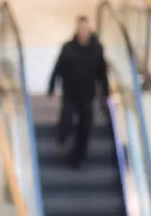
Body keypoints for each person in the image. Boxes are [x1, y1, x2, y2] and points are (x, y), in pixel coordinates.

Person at [47, 16, 109, 169]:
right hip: (70, 93)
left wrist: (105, 92)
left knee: (85, 128)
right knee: (67, 120)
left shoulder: (96, 49)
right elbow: (58, 68)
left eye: (85, 29)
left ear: (89, 30)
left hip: (87, 95)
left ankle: (78, 157)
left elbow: (102, 72)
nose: (83, 32)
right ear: (77, 30)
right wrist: (52, 85)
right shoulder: (68, 48)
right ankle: (63, 136)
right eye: (81, 28)